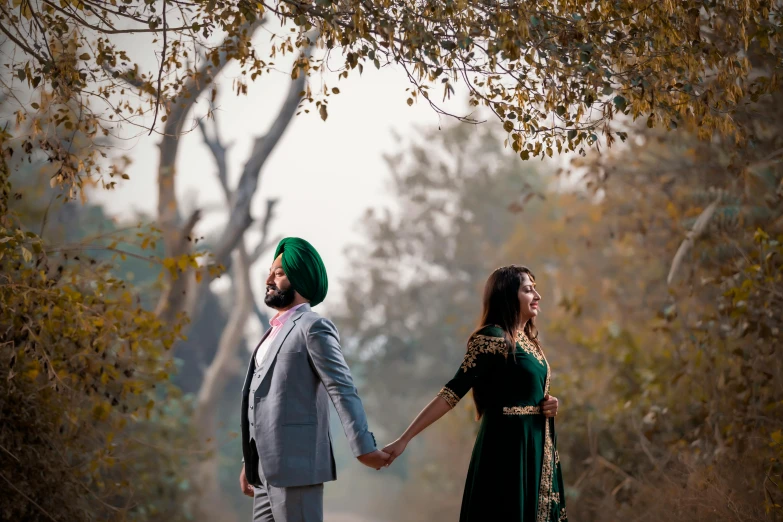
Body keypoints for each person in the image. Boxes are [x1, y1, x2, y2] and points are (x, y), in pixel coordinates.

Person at [382, 265, 567, 521]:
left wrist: (549, 404)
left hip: (535, 445)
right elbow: (451, 393)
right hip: (506, 447)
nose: (537, 296)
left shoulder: (530, 342)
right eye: (528, 290)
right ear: (507, 295)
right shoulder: (490, 338)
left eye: (535, 289)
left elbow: (532, 390)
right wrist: (405, 439)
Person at [239, 237, 389, 522]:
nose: (269, 278)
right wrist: (249, 460)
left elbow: (342, 388)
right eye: (271, 271)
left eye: (279, 273)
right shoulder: (269, 334)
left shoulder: (314, 327)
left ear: (300, 279)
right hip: (263, 472)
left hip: (297, 467)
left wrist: (364, 448)